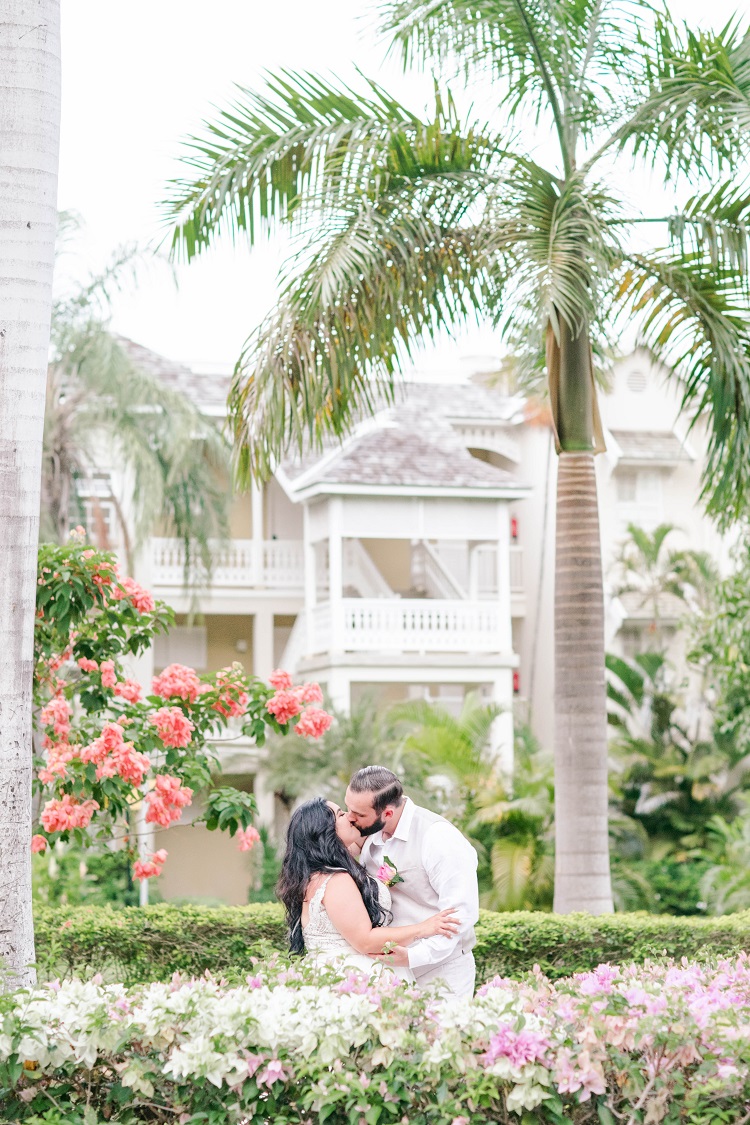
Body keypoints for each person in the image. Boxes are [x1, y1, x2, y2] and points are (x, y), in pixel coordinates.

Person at [276, 797, 460, 981]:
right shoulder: (336, 880)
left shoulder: (314, 873)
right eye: (341, 814)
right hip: (354, 976)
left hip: (329, 971)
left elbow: (363, 838)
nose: (350, 817)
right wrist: (424, 928)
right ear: (325, 831)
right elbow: (365, 940)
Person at [345, 765, 479, 998]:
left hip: (443, 970)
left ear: (387, 813)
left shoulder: (438, 838)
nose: (350, 818)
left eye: (359, 814)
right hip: (390, 971)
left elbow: (460, 915)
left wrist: (412, 957)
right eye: (348, 809)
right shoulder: (368, 831)